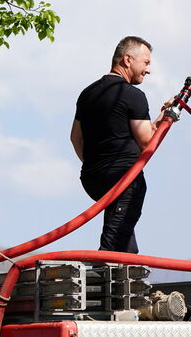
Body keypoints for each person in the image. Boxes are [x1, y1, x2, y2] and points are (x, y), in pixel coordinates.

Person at [70, 36, 171, 254]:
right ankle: (102, 277)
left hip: (91, 179)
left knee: (124, 239)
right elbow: (146, 142)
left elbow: (75, 138)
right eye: (145, 62)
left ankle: (130, 278)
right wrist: (166, 118)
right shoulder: (133, 95)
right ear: (127, 59)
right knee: (112, 246)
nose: (148, 70)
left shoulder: (87, 93)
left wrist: (96, 163)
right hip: (125, 180)